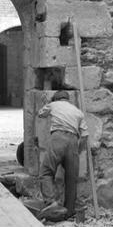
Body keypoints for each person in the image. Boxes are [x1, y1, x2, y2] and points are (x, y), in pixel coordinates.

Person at [37, 90, 88, 220]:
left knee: (46, 171)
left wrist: (47, 104)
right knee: (71, 178)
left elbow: (40, 114)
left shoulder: (54, 105)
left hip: (58, 137)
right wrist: (78, 149)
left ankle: (51, 202)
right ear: (67, 99)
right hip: (73, 141)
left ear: (57, 99)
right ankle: (69, 211)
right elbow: (85, 136)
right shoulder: (78, 112)